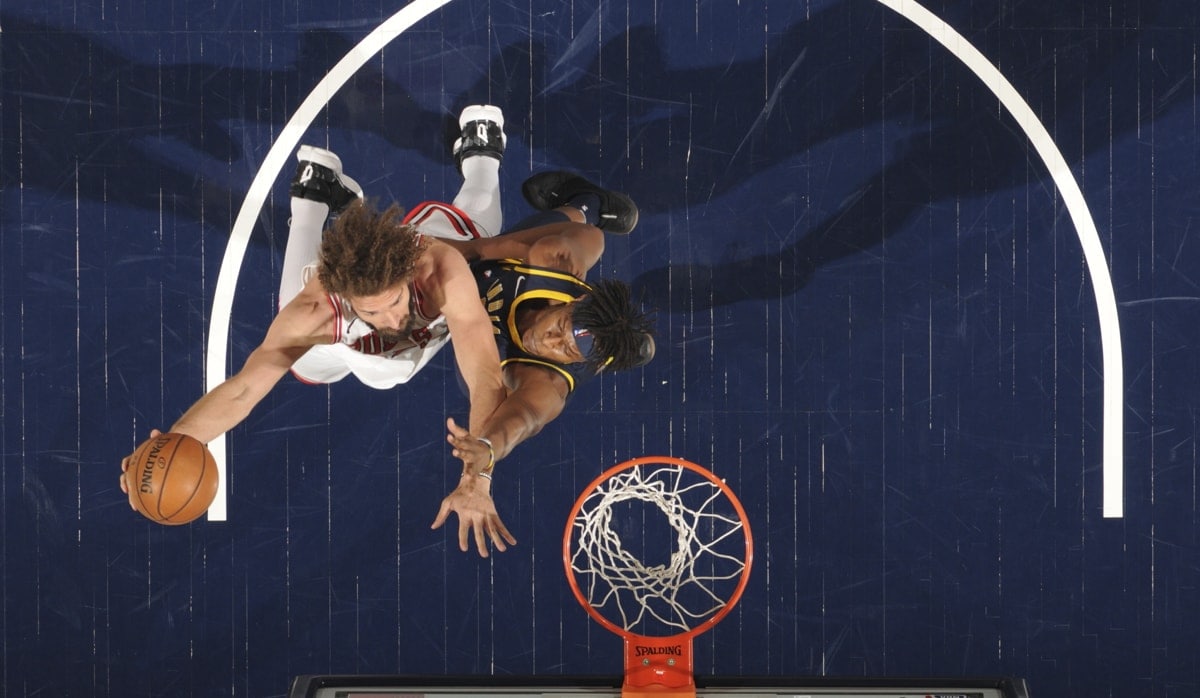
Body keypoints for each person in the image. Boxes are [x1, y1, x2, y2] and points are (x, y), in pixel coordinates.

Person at [121, 106, 514, 554]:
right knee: (312, 360)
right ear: (347, 297)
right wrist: (175, 444)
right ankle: (312, 205)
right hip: (329, 323)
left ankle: (480, 155)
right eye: (374, 312)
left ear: (408, 276)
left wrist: (477, 476)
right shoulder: (316, 310)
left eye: (394, 302)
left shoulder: (439, 268)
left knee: (484, 235)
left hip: (424, 254)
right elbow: (242, 392)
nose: (390, 321)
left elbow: (484, 372)